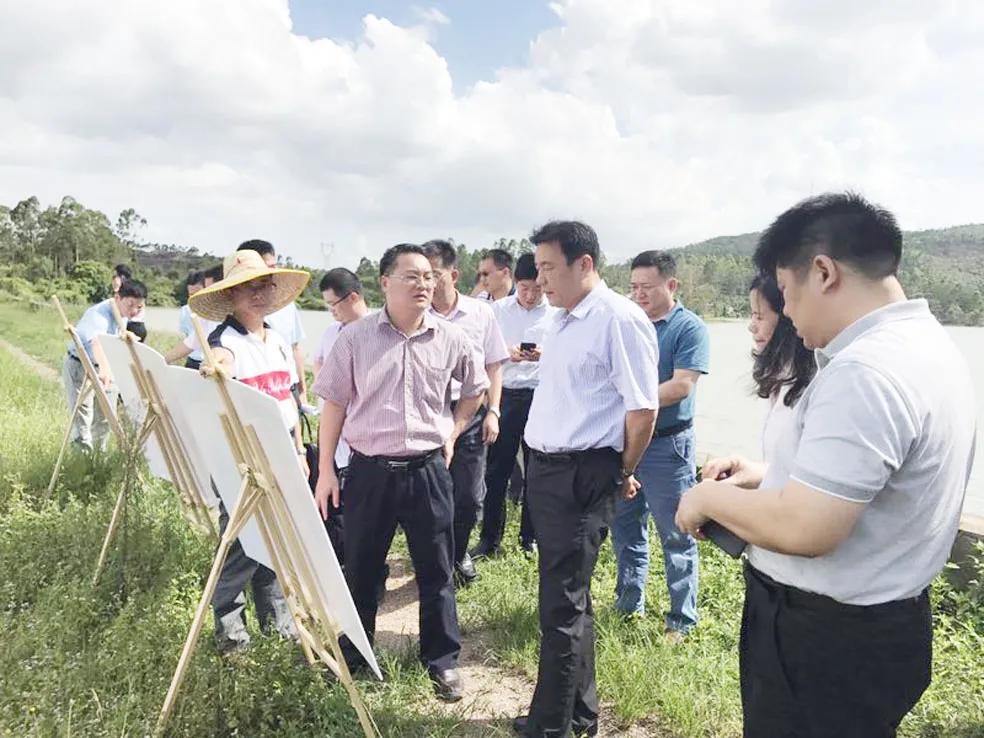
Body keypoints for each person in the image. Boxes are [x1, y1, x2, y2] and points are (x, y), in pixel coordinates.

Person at [676, 193, 977, 738]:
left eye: (786, 294)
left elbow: (808, 527)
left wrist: (706, 499)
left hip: (824, 640)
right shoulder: (926, 347)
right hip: (882, 626)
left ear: (823, 272)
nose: (785, 312)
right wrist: (768, 475)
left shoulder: (864, 371)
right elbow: (872, 486)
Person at [313, 243, 489, 702]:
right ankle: (356, 656)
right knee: (363, 567)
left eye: (429, 276)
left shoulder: (451, 338)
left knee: (436, 570)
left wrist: (453, 430)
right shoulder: (355, 338)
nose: (424, 284)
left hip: (429, 470)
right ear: (384, 282)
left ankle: (442, 661)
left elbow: (475, 389)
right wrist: (326, 469)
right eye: (412, 276)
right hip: (370, 472)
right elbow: (333, 404)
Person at [514, 221, 660, 738]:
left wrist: (621, 471)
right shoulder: (562, 320)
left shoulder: (618, 319)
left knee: (561, 604)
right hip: (549, 470)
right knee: (570, 599)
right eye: (537, 267)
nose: (540, 278)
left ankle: (550, 727)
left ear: (585, 264)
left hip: (582, 471)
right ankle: (579, 715)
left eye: (549, 267)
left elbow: (642, 411)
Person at [188, 249, 311, 654]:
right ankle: (230, 634)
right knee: (242, 547)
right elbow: (217, 364)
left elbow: (288, 399)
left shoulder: (276, 339)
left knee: (275, 544)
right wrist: (214, 368)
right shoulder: (223, 341)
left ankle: (276, 622)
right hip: (241, 462)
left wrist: (297, 452)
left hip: (281, 455)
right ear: (232, 296)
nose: (257, 294)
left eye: (263, 285)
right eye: (247, 288)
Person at [610, 250, 709, 639]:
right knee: (625, 528)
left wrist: (635, 399)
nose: (638, 294)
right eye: (633, 287)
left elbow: (682, 385)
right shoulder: (627, 324)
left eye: (646, 287)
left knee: (677, 532)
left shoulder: (688, 328)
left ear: (671, 285)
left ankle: (681, 620)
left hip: (668, 447)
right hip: (627, 442)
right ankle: (628, 603)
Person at [422, 239, 509, 584]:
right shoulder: (415, 313)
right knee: (430, 496)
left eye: (434, 275)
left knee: (470, 496)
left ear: (454, 274)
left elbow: (494, 366)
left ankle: (458, 555)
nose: (427, 283)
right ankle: (435, 560)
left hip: (471, 413)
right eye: (421, 275)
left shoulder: (480, 313)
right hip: (428, 414)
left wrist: (494, 411)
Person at [471, 253, 557, 558]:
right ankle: (490, 540)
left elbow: (566, 356)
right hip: (504, 395)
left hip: (540, 396)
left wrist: (546, 354)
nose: (531, 295)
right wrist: (507, 353)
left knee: (537, 471)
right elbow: (480, 354)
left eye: (537, 289)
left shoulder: (557, 313)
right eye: (524, 289)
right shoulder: (497, 311)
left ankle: (529, 538)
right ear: (514, 283)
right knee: (496, 471)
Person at [702, 273, 816, 487]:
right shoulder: (781, 376)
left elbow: (810, 483)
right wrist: (745, 469)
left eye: (759, 316)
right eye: (752, 316)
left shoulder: (815, 384)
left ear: (787, 318)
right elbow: (784, 468)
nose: (751, 326)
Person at [311, 268, 370, 565]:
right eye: (328, 307)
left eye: (334, 305)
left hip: (364, 438)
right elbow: (317, 365)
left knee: (363, 511)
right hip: (333, 432)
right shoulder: (330, 333)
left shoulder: (377, 330)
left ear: (354, 297)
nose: (332, 312)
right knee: (334, 504)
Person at [62, 280, 148, 452]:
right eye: (130, 305)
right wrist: (105, 369)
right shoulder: (99, 315)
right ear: (118, 297)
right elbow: (97, 343)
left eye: (139, 307)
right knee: (82, 415)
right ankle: (82, 459)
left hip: (105, 366)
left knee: (106, 415)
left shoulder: (122, 313)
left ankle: (100, 458)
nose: (134, 311)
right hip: (80, 365)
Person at [237, 240, 308, 402]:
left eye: (273, 267)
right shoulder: (235, 314)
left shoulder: (288, 306)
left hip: (288, 386)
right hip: (256, 391)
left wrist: (302, 389)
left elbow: (295, 347)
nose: (271, 274)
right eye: (266, 269)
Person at [164, 264, 223, 365]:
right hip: (198, 362)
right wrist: (164, 359)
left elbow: (193, 341)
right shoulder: (188, 311)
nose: (196, 299)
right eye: (191, 295)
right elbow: (192, 340)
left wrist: (163, 359)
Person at [174, 271, 206, 369]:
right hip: (192, 362)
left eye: (199, 294)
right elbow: (187, 337)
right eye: (191, 295)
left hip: (211, 364)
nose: (195, 299)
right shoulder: (185, 310)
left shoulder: (220, 312)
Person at [112, 264, 147, 340]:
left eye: (115, 276)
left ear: (122, 277)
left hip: (133, 325)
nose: (113, 280)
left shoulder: (125, 291)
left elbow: (112, 304)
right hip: (138, 325)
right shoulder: (135, 288)